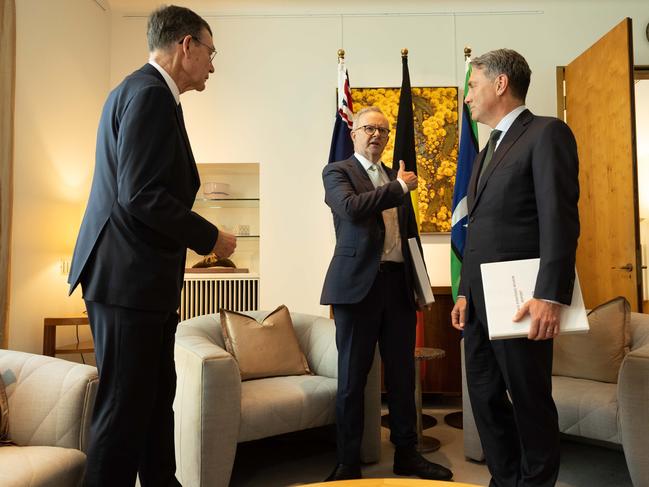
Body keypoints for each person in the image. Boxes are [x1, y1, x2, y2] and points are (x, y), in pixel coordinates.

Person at [67, 5, 236, 486]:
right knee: (124, 411)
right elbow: (140, 194)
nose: (212, 64)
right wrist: (212, 239)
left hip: (138, 283)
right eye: (210, 51)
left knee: (155, 400)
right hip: (127, 282)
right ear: (186, 46)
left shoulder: (141, 91)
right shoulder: (148, 94)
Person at [451, 49, 580, 487]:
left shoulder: (547, 133)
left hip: (524, 300)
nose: (467, 95)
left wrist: (550, 295)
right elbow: (479, 229)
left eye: (473, 85)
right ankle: (506, 481)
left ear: (501, 84)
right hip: (481, 303)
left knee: (529, 402)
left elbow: (559, 220)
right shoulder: (487, 148)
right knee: (484, 398)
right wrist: (465, 291)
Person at [320, 106, 453, 482]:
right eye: (369, 128)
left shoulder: (396, 177)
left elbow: (408, 237)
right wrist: (397, 189)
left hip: (397, 285)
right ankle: (347, 463)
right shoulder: (337, 172)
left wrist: (420, 284)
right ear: (355, 134)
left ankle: (407, 454)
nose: (376, 135)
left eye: (382, 129)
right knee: (352, 379)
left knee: (402, 375)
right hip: (356, 289)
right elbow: (350, 209)